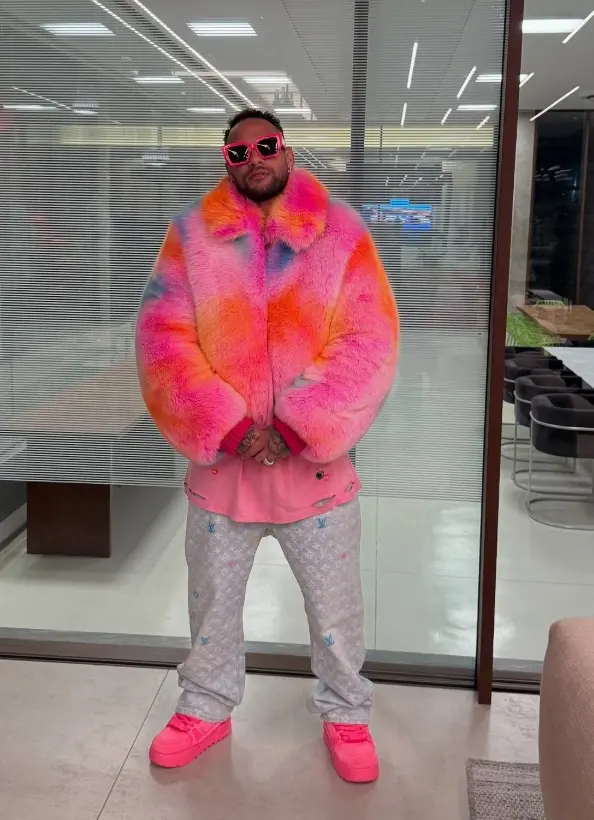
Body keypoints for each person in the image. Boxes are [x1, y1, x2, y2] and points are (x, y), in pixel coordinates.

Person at [136, 108, 399, 783]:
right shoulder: (190, 237)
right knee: (212, 604)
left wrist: (297, 424)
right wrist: (224, 425)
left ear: (287, 150)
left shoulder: (341, 234)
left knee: (335, 608)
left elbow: (369, 339)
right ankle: (205, 706)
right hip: (223, 473)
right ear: (226, 161)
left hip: (316, 473)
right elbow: (163, 338)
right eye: (238, 151)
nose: (253, 158)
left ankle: (347, 712)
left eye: (265, 145)